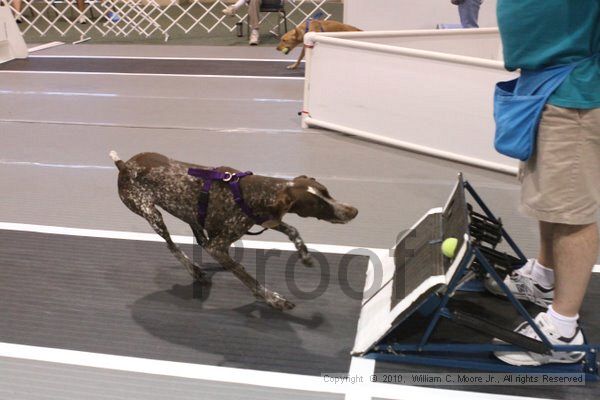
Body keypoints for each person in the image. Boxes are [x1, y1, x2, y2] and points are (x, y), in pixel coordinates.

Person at [487, 0, 600, 366]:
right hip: (547, 81)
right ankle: (544, 276)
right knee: (553, 198)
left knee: (572, 211)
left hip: (577, 87)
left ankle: (563, 331)